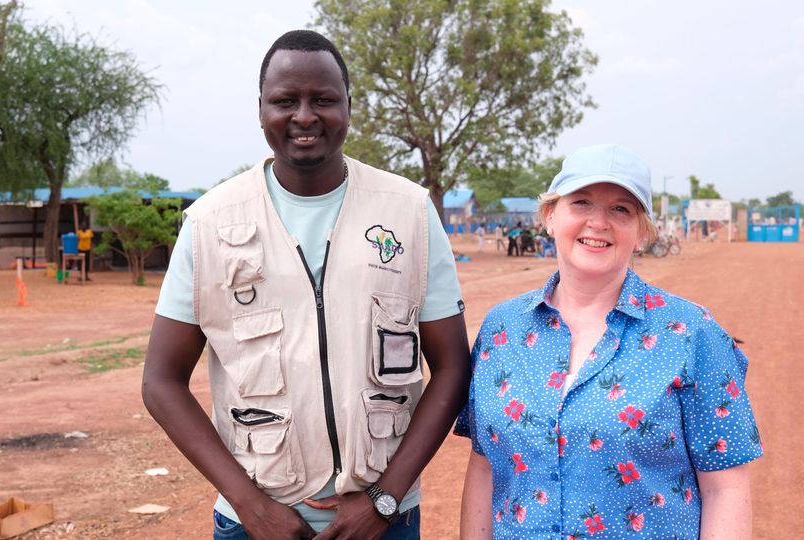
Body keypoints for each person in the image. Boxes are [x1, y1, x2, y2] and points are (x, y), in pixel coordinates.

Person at [142, 30, 470, 540]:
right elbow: (161, 381)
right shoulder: (210, 224)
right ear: (260, 110)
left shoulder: (407, 212)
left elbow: (451, 367)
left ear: (348, 106)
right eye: (285, 101)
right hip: (256, 525)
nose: (304, 116)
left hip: (386, 524)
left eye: (323, 100)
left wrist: (384, 499)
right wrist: (250, 506)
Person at [457, 144, 762, 539]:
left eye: (621, 209)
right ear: (550, 217)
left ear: (641, 233)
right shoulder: (501, 330)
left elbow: (726, 488)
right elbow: (483, 467)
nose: (598, 222)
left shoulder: (692, 334)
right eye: (581, 202)